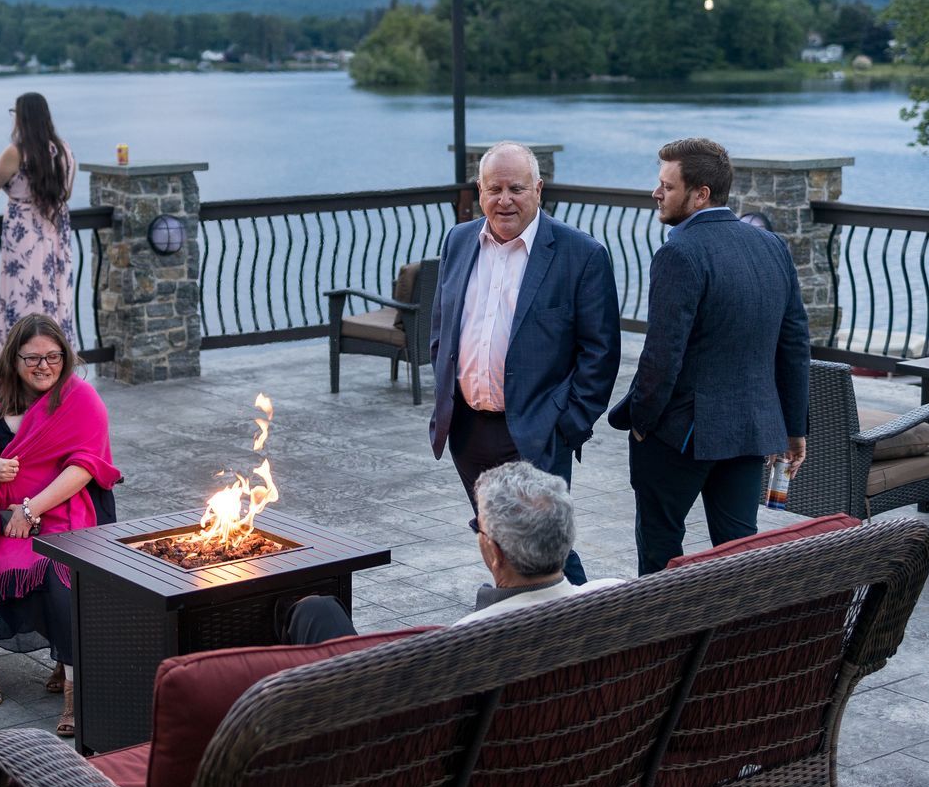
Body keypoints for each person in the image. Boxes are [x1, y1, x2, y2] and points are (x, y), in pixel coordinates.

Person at [608, 138, 811, 575]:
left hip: (681, 434)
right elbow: (794, 345)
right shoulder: (773, 246)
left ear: (701, 194)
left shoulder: (679, 252)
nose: (656, 193)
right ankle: (736, 639)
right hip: (751, 429)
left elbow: (662, 356)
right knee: (738, 556)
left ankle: (662, 640)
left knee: (660, 552)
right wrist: (794, 428)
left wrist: (642, 422)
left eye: (667, 186)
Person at [428, 142, 621, 586]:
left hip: (535, 432)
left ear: (539, 189)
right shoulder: (459, 241)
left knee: (545, 550)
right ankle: (515, 628)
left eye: (516, 188)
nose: (504, 199)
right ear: (479, 190)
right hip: (469, 430)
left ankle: (579, 631)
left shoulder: (581, 254)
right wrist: (446, 392)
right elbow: (443, 325)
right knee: (494, 540)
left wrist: (566, 425)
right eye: (494, 188)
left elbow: (600, 353)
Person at [0, 313, 120, 731]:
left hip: (64, 510)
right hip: (3, 517)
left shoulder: (81, 399)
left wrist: (31, 510)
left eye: (54, 357)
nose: (44, 366)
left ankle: (76, 696)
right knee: (15, 572)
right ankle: (65, 658)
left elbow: (85, 466)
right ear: (13, 359)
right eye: (33, 359)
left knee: (61, 575)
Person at [285, 461, 623, 644]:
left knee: (318, 613)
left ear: (495, 553)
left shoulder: (467, 640)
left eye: (480, 527)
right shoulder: (616, 597)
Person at [0, 92, 77, 352]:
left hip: (25, 236)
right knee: (55, 297)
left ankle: (22, 359)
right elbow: (66, 193)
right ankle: (56, 358)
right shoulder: (64, 151)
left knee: (24, 297)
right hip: (56, 233)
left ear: (21, 117)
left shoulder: (17, 153)